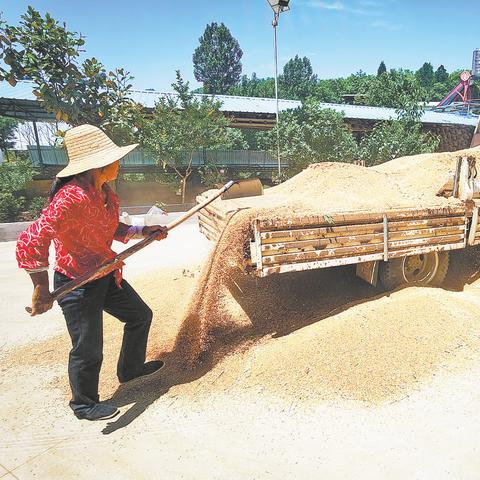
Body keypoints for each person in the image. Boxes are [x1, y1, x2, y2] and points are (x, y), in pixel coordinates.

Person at [16, 124, 168, 421]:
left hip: (105, 273)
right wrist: (40, 287)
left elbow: (111, 228)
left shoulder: (105, 193)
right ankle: (84, 404)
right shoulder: (70, 198)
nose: (118, 164)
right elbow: (31, 240)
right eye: (115, 159)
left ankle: (130, 369)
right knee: (88, 346)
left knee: (140, 315)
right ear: (98, 164)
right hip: (76, 283)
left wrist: (143, 231)